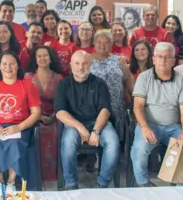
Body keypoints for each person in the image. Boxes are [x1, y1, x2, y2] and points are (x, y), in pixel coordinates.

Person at [130, 42, 183, 187]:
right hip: (149, 124)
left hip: (174, 127)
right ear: (153, 59)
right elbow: (137, 107)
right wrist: (145, 128)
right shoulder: (144, 77)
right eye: (159, 57)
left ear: (173, 60)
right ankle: (143, 183)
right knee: (139, 151)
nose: (163, 61)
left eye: (167, 57)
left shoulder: (181, 80)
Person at [0, 52, 42, 191]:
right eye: (4, 64)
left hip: (20, 127)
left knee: (15, 144)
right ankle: (0, 181)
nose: (8, 67)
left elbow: (36, 112)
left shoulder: (27, 85)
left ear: (18, 66)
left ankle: (11, 182)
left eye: (12, 64)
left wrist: (19, 127)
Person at [55, 51, 120, 189]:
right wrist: (79, 127)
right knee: (68, 142)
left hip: (98, 123)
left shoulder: (99, 83)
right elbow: (60, 112)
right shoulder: (63, 84)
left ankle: (103, 184)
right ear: (71, 65)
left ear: (90, 65)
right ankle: (71, 184)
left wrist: (96, 131)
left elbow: (105, 110)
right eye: (77, 63)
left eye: (84, 63)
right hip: (73, 124)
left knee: (113, 142)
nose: (80, 67)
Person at [25, 46, 63, 182]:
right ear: (35, 59)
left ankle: (52, 176)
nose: (42, 58)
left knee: (55, 132)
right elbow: (24, 102)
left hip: (54, 117)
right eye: (39, 56)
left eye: (45, 55)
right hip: (31, 116)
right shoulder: (28, 77)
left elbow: (61, 102)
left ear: (50, 58)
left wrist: (52, 117)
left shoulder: (59, 78)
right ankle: (33, 175)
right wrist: (39, 117)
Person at [91, 30, 135, 126]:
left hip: (115, 106)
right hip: (92, 107)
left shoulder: (119, 60)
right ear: (94, 43)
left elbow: (128, 80)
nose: (102, 45)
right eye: (99, 42)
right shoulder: (87, 60)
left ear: (111, 45)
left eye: (106, 42)